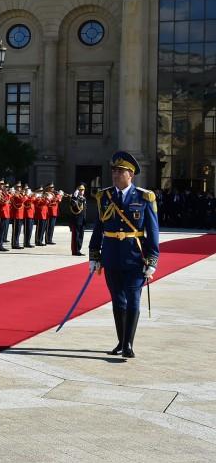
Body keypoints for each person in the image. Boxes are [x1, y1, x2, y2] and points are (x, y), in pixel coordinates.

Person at [89, 151, 159, 359]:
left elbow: (152, 231)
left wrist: (153, 260)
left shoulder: (145, 197)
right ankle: (121, 341)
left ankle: (128, 343)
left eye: (120, 171)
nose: (115, 174)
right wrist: (94, 256)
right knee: (117, 300)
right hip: (111, 256)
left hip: (135, 257)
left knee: (133, 299)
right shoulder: (104, 196)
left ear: (131, 174)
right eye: (114, 171)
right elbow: (98, 228)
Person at [68, 184, 88, 256]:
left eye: (83, 190)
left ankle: (78, 249)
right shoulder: (74, 198)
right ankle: (75, 251)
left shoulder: (83, 198)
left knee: (81, 235)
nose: (82, 191)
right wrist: (74, 197)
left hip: (82, 219)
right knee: (76, 235)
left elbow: (84, 210)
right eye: (80, 190)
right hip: (76, 220)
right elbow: (73, 206)